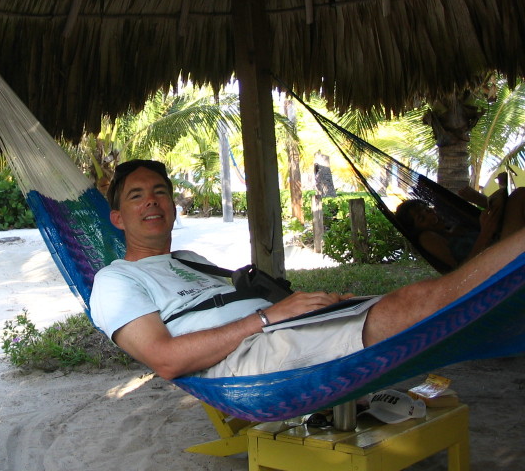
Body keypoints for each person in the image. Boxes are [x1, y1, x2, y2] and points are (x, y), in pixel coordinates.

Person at [89, 160, 525, 381]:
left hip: (279, 330)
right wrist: (268, 318)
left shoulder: (189, 260)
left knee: (413, 302)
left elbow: (243, 305)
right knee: (419, 303)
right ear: (118, 219)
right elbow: (165, 360)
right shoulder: (115, 281)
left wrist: (311, 306)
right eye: (137, 196)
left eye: (160, 191)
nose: (152, 201)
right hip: (246, 360)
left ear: (172, 206)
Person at [395, 185, 525, 270]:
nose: (430, 216)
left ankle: (487, 199)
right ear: (416, 228)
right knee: (519, 195)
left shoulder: (454, 227)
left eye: (427, 210)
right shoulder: (427, 237)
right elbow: (461, 270)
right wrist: (486, 232)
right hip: (498, 262)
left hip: (503, 247)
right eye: (421, 219)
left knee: (516, 197)